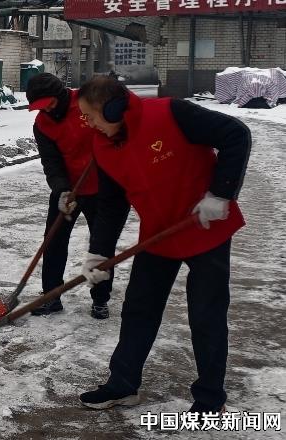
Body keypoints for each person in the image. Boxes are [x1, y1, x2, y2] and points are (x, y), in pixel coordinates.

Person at [76, 76, 251, 414]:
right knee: (139, 308)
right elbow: (111, 205)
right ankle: (123, 384)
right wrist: (99, 253)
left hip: (204, 227)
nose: (89, 124)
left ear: (114, 109)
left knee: (206, 315)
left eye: (91, 116)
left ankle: (210, 399)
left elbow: (236, 134)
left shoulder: (171, 113)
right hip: (158, 234)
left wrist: (220, 194)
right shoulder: (104, 145)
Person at [25, 73, 114, 319]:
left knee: (100, 245)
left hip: (101, 189)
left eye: (49, 103)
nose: (47, 110)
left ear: (60, 94)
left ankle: (100, 299)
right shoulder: (42, 124)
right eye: (40, 107)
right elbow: (51, 162)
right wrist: (61, 189)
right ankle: (51, 296)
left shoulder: (87, 103)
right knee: (53, 242)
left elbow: (114, 133)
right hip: (68, 190)